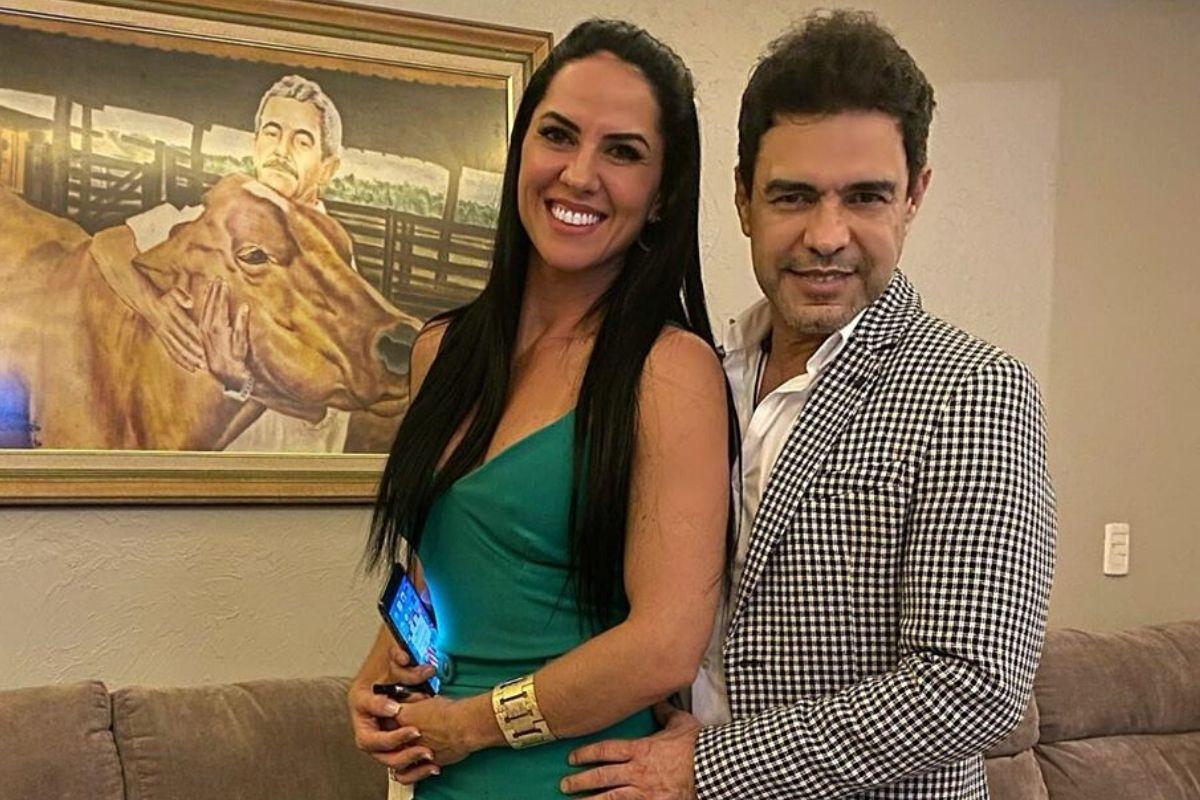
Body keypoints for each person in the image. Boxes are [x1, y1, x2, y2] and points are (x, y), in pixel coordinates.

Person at [561, 9, 1057, 799]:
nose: (827, 236)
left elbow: (970, 684)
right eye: (793, 197)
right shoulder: (693, 374)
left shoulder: (975, 389)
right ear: (743, 199)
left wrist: (709, 767)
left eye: (866, 197)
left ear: (914, 195)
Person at [347, 19, 731, 800]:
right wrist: (375, 677)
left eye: (622, 152)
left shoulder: (671, 370)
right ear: (522, 150)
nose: (580, 174)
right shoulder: (442, 350)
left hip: (575, 780)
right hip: (439, 778)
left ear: (662, 195)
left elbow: (665, 646)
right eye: (558, 135)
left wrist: (472, 725)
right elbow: (440, 568)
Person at [89, 74, 356, 452]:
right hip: (200, 463)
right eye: (272, 133)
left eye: (302, 141)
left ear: (327, 167)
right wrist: (158, 312)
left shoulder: (333, 266)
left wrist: (239, 380)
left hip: (281, 465)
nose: (281, 150)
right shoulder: (217, 218)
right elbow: (108, 245)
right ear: (255, 145)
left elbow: (320, 404)